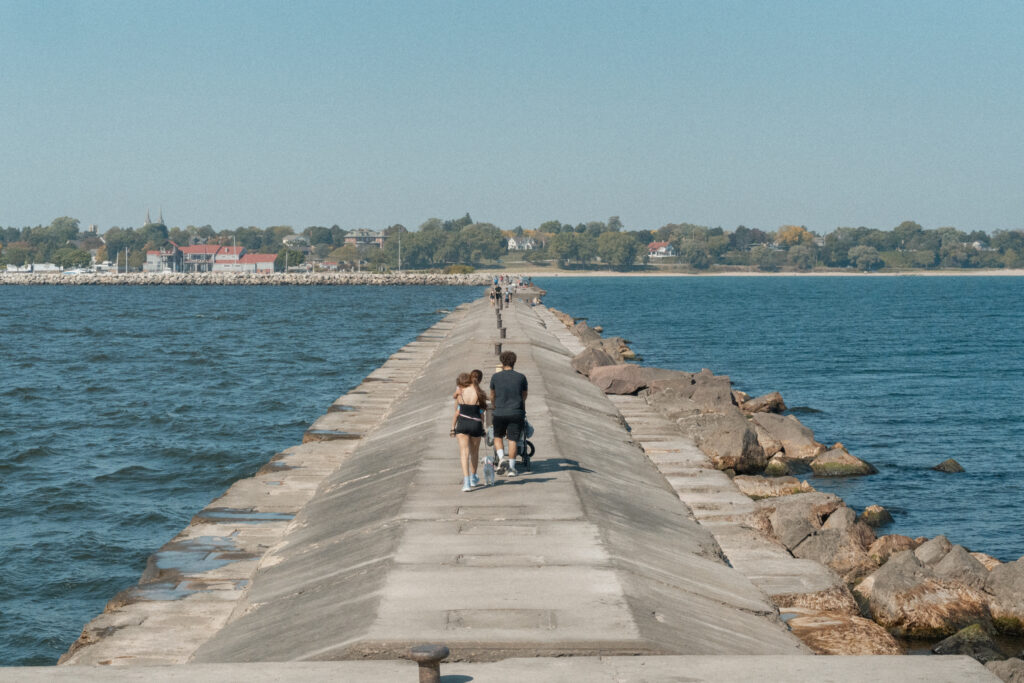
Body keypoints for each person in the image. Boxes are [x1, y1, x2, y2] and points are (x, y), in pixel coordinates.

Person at [489, 350, 528, 477]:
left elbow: (492, 395)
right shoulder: (521, 377)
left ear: (502, 362)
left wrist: (495, 405)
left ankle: (501, 459)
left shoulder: (495, 377)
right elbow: (524, 395)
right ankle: (511, 468)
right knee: (513, 440)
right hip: (516, 412)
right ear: (514, 361)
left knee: (497, 436)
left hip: (499, 411)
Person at [451, 372, 487, 491]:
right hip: (476, 423)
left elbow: (456, 408)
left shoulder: (460, 390)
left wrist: (456, 395)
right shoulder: (478, 391)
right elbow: (482, 411)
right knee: (474, 453)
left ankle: (466, 483)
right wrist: (483, 427)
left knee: (464, 454)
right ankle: (473, 477)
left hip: (462, 423)